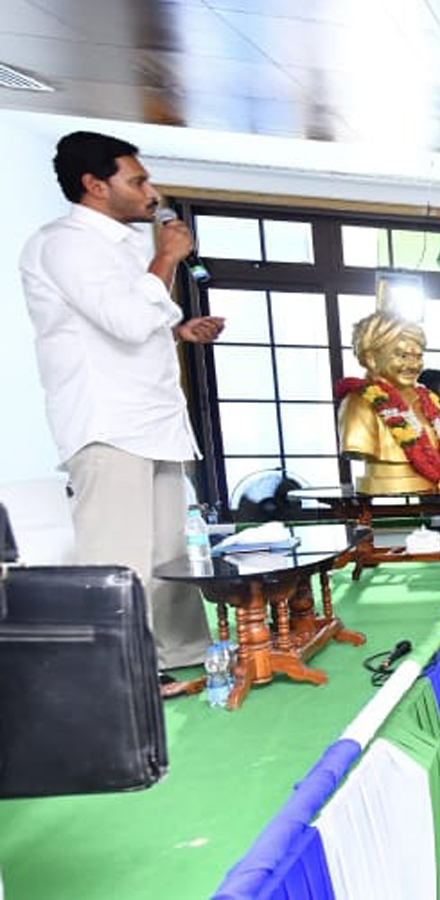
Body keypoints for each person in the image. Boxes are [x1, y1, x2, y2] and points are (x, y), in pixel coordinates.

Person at [19, 131, 225, 690]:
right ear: (94, 185)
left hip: (155, 419)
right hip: (108, 423)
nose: (150, 192)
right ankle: (122, 675)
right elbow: (130, 322)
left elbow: (139, 325)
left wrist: (181, 329)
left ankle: (182, 654)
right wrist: (165, 258)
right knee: (120, 558)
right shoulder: (63, 243)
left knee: (168, 554)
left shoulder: (123, 248)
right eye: (137, 181)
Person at [336, 317, 440, 493]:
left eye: (418, 357)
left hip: (433, 489)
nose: (413, 365)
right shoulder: (359, 403)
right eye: (403, 356)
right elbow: (357, 444)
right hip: (383, 484)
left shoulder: (427, 400)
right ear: (371, 358)